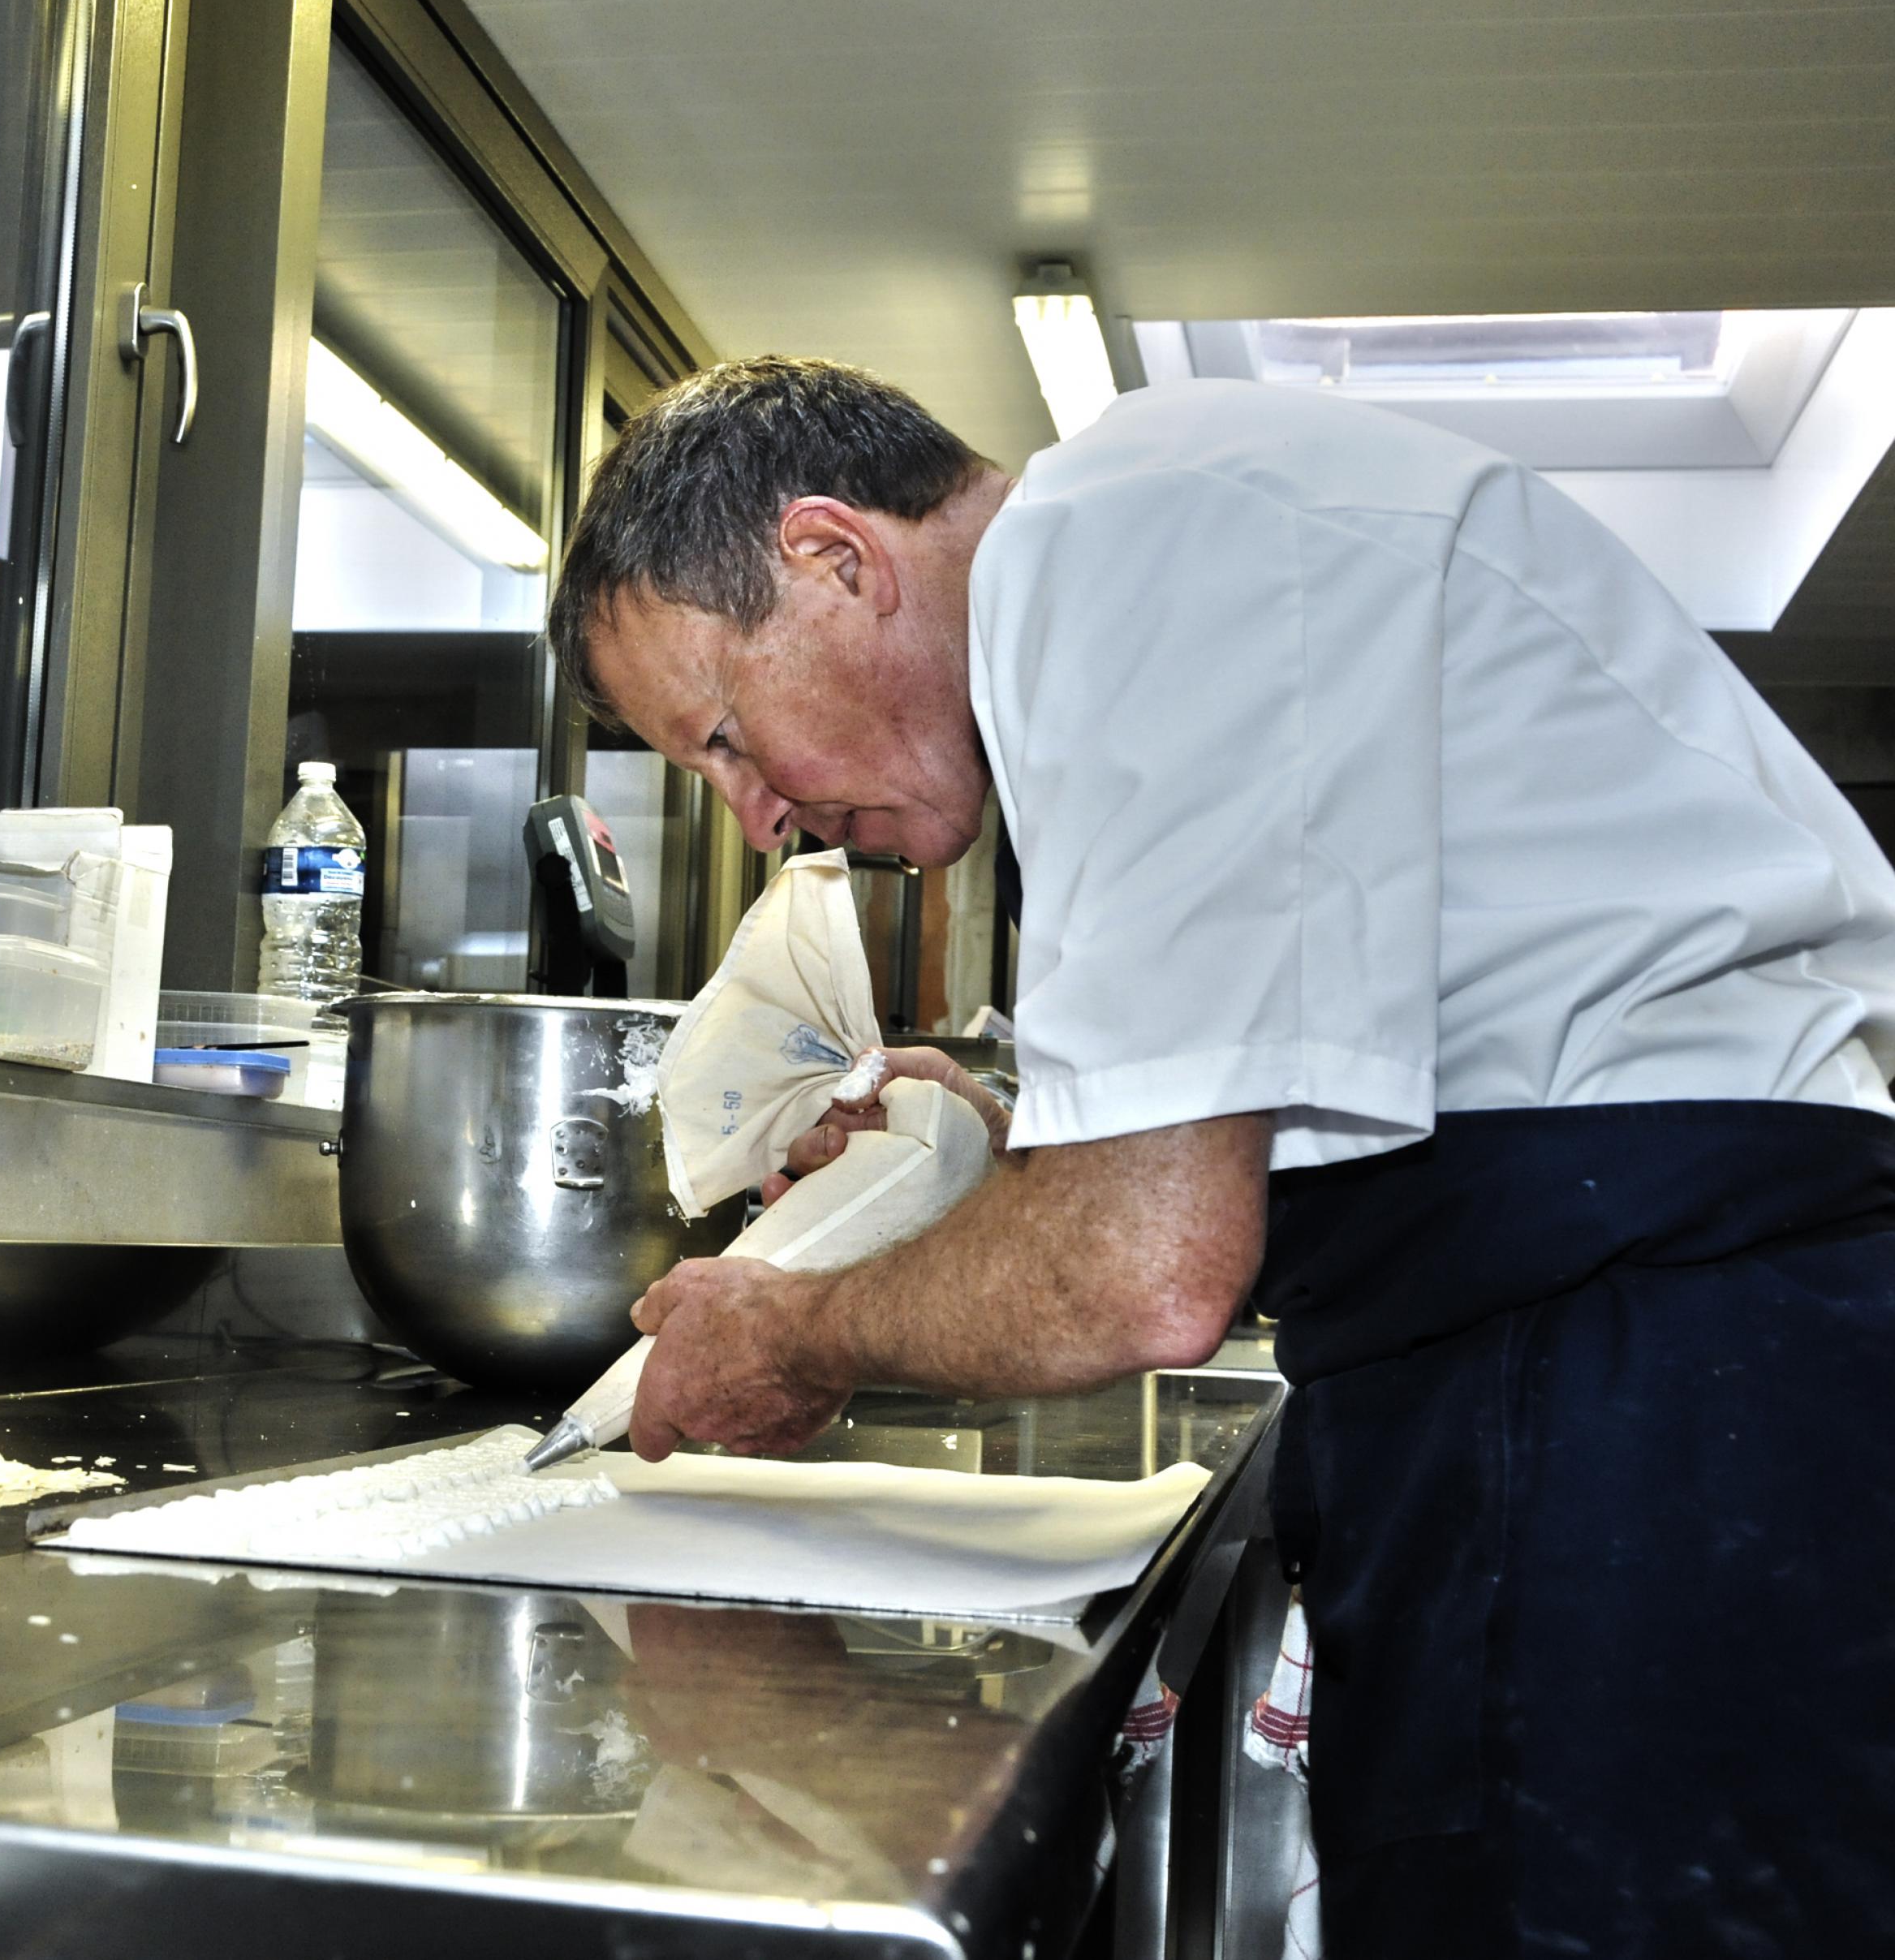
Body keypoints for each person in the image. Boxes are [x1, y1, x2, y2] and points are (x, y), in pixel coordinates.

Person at [545, 356, 1895, 1958]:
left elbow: (1144, 1263)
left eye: (724, 736)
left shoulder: (1128, 544)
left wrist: (790, 1329)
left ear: (838, 559)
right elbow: (1276, 1127)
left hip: (1654, 1399)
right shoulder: (1173, 536)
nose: (759, 817)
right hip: (1626, 1359)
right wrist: (985, 1156)